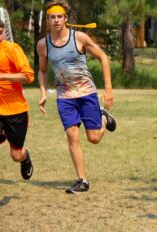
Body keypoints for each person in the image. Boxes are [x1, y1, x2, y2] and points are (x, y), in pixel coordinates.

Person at [36, 0, 116, 194]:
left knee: (94, 138)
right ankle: (82, 180)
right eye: (52, 17)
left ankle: (103, 117)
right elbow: (42, 70)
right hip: (65, 97)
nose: (55, 20)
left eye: (59, 16)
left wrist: (108, 88)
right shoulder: (43, 45)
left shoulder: (79, 37)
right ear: (47, 20)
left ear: (65, 19)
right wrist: (44, 92)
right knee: (72, 134)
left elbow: (103, 57)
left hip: (87, 93)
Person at [0, 19, 35, 180]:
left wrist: (1, 76)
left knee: (16, 154)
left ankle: (25, 157)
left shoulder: (12, 49)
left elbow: (28, 76)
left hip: (15, 110)